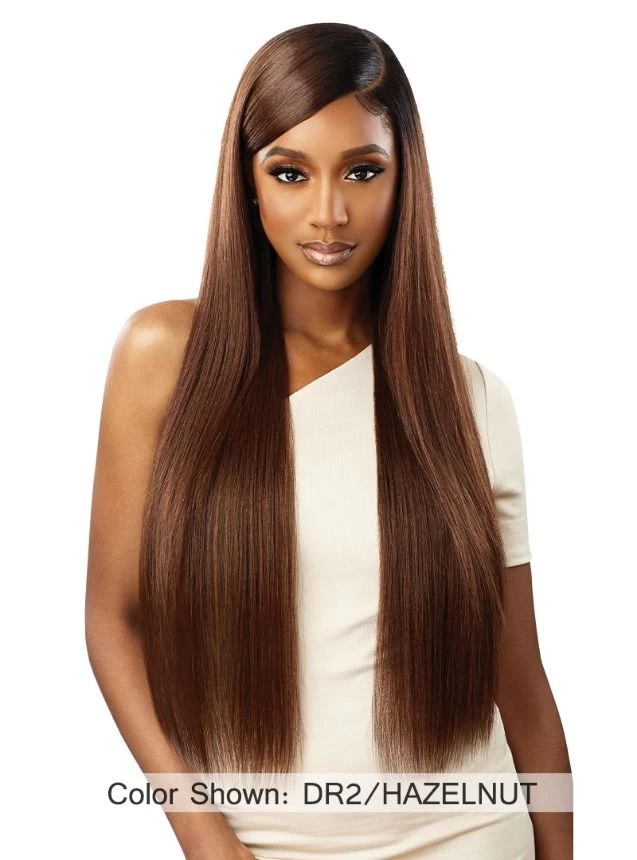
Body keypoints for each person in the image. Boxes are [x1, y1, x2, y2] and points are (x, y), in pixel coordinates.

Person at [85, 22, 572, 860]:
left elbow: (518, 678)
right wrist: (203, 836)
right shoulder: (164, 357)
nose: (328, 212)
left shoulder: (471, 400)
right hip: (259, 840)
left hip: (470, 833)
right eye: (289, 172)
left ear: (403, 177)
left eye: (362, 170)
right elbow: (111, 620)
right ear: (246, 182)